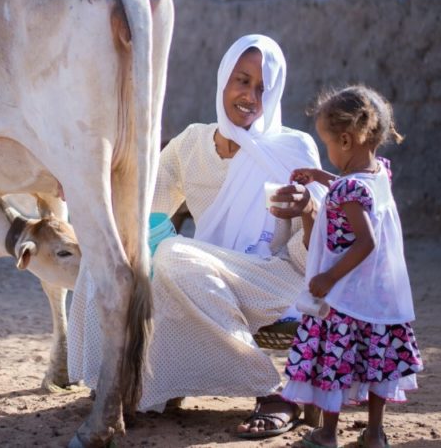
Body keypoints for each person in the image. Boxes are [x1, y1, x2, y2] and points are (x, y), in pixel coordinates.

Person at [68, 34, 327, 440]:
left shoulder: (291, 149)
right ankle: (117, 382)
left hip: (273, 278)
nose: (250, 96)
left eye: (263, 88)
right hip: (202, 275)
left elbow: (314, 252)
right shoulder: (193, 143)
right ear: (223, 80)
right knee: (108, 252)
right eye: (242, 81)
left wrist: (309, 210)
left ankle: (274, 392)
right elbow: (141, 201)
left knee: (174, 256)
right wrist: (92, 187)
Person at [281, 85, 423, 448]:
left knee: (336, 364)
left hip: (346, 296)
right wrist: (321, 176)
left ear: (345, 139)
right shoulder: (380, 174)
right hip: (380, 297)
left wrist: (328, 276)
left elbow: (366, 239)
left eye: (327, 144)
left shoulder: (347, 192)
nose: (327, 153)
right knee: (377, 362)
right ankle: (374, 434)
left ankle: (328, 434)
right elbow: (352, 187)